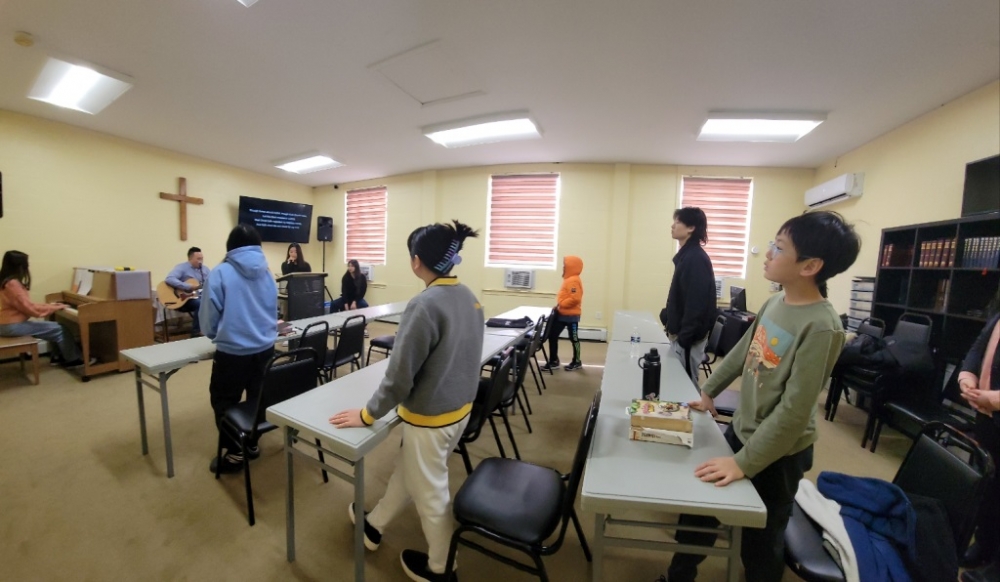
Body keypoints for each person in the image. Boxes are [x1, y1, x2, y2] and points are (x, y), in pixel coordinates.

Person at [658, 211, 860, 582]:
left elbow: (794, 412)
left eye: (778, 248)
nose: (767, 253)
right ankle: (678, 577)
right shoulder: (776, 302)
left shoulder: (822, 327)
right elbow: (742, 353)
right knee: (698, 512)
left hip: (781, 454)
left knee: (761, 541)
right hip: (743, 430)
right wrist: (708, 391)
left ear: (810, 266)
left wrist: (745, 462)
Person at [329, 220, 484, 582]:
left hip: (431, 419)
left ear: (417, 261)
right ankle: (374, 525)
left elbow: (399, 376)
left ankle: (442, 568)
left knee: (431, 495)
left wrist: (368, 414)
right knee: (410, 472)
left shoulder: (424, 304)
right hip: (460, 411)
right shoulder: (469, 296)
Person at [200, 225, 277, 474]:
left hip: (232, 354)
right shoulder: (268, 273)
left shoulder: (220, 273)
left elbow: (208, 319)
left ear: (230, 247)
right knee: (257, 399)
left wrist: (218, 334)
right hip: (265, 350)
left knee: (223, 401)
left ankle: (235, 452)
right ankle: (252, 443)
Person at [958, 291, 1000, 582]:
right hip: (987, 418)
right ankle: (985, 545)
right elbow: (978, 349)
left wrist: (993, 399)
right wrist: (967, 378)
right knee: (989, 488)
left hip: (993, 407)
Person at [659, 207, 717, 385]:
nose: (672, 226)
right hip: (681, 335)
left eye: (677, 222)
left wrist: (684, 338)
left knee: (685, 386)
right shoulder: (687, 256)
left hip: (688, 339)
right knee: (677, 382)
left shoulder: (695, 259)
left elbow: (696, 304)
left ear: (691, 228)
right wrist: (668, 315)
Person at [0, 250, 84, 367]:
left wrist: (52, 306)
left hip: (6, 325)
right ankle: (73, 359)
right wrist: (53, 308)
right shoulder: (13, 284)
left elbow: (27, 305)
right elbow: (31, 309)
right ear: (20, 266)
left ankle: (57, 356)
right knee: (60, 329)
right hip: (12, 326)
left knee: (54, 328)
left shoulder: (6, 282)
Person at [541, 255, 585, 372]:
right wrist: (559, 306)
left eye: (565, 265)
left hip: (571, 316)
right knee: (552, 335)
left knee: (574, 338)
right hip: (562, 314)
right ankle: (553, 361)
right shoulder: (569, 280)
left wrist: (561, 304)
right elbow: (567, 296)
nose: (563, 267)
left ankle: (577, 361)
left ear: (572, 266)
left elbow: (575, 298)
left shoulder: (573, 280)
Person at [165, 247, 210, 337]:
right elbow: (169, 279)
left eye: (201, 259)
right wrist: (188, 286)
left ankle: (212, 329)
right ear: (190, 258)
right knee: (201, 303)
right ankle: (196, 332)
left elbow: (211, 282)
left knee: (214, 301)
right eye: (198, 259)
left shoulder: (205, 270)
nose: (200, 261)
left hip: (199, 296)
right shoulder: (182, 268)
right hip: (184, 299)